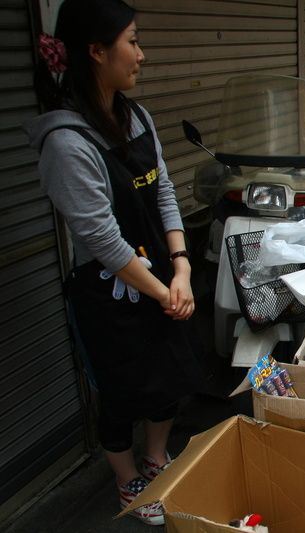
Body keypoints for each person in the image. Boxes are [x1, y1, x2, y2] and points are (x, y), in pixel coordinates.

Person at [24, 0, 199, 525]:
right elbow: (102, 238)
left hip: (163, 276)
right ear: (97, 51)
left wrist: (182, 267)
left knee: (168, 376)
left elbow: (164, 192)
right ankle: (128, 483)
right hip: (109, 290)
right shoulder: (66, 142)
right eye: (133, 41)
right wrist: (165, 291)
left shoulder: (137, 117)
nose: (141, 55)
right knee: (120, 392)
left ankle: (156, 456)